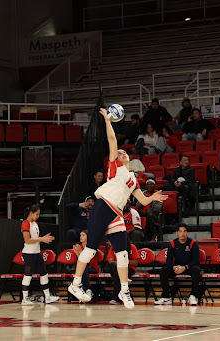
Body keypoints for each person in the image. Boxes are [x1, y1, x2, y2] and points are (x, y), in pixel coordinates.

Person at [67, 107, 167, 309]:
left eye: (123, 153)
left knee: (123, 253)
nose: (120, 153)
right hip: (103, 206)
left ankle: (124, 289)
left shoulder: (133, 179)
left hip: (116, 213)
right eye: (118, 153)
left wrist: (153, 196)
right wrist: (107, 121)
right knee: (91, 249)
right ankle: (75, 284)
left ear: (129, 158)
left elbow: (143, 201)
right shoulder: (115, 167)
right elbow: (113, 141)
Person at [20, 205, 59, 305]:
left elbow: (35, 238)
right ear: (31, 213)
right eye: (36, 214)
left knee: (44, 273)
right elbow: (27, 240)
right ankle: (25, 298)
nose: (38, 216)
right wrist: (41, 239)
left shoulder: (35, 224)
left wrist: (43, 238)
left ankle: (48, 297)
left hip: (37, 252)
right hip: (28, 253)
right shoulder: (25, 224)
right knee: (28, 275)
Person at [154, 224, 200, 306]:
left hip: (189, 267)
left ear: (187, 233)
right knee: (163, 271)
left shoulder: (193, 243)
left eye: (184, 231)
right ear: (177, 233)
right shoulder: (172, 243)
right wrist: (174, 267)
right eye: (180, 231)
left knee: (196, 270)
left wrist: (185, 267)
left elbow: (196, 260)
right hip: (177, 267)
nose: (182, 233)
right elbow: (168, 261)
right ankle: (166, 297)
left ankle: (193, 296)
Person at [107, 239, 139, 305]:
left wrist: (124, 261)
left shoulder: (132, 247)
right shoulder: (113, 247)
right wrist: (120, 263)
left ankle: (116, 298)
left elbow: (135, 263)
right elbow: (111, 261)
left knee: (117, 276)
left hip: (129, 268)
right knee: (114, 268)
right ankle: (125, 281)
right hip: (117, 268)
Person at [72, 231, 99, 301]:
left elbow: (88, 261)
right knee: (83, 269)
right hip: (84, 269)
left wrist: (80, 253)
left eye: (83, 235)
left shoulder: (91, 247)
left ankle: (85, 289)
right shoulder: (79, 246)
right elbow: (79, 262)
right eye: (80, 235)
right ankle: (87, 290)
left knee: (84, 268)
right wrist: (78, 254)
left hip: (93, 268)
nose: (81, 237)